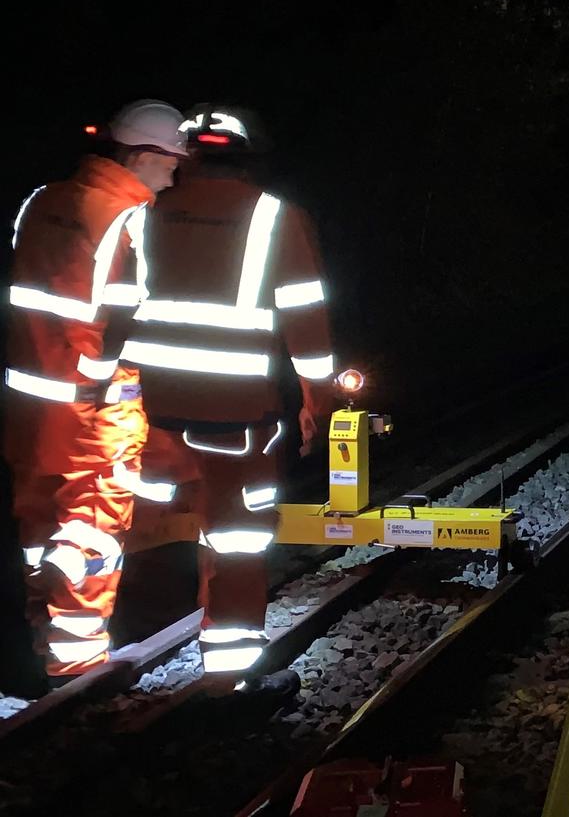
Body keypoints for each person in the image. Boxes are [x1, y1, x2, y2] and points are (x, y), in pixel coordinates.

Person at [122, 105, 335, 678]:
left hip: (155, 413)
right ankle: (230, 676)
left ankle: (114, 657)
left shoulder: (142, 217)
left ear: (188, 155)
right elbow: (305, 316)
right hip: (237, 419)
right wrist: (320, 398)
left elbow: (114, 313)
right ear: (249, 158)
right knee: (236, 542)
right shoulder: (273, 216)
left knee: (145, 526)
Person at [5, 100, 187, 683]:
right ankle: (78, 663)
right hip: (97, 401)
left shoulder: (41, 201)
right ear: (143, 154)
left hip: (28, 398)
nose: (174, 175)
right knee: (96, 520)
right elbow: (128, 313)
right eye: (172, 163)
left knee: (37, 515)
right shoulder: (133, 216)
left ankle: (43, 647)